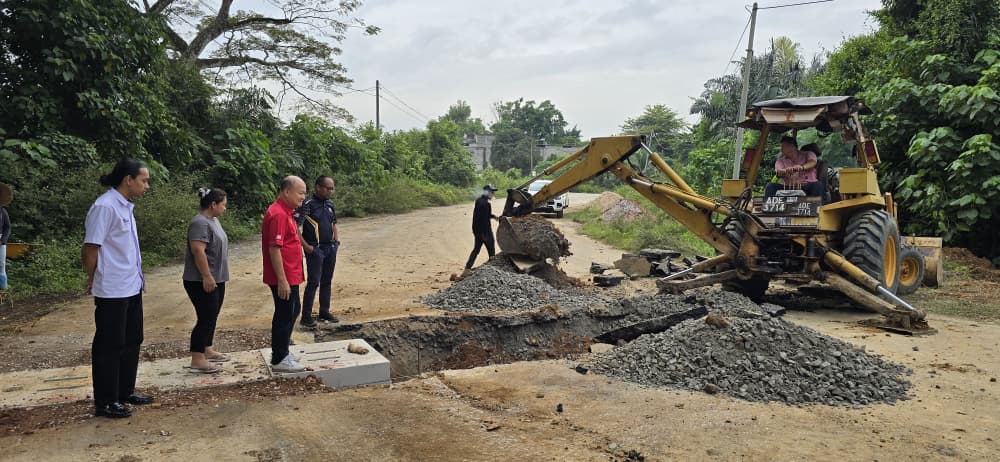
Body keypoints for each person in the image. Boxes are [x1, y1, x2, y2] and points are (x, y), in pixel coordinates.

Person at [82, 159, 153, 419]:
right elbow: (91, 248)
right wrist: (93, 278)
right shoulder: (105, 207)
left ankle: (124, 391)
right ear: (128, 179)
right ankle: (106, 401)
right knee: (110, 345)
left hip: (131, 285)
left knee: (132, 339)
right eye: (144, 180)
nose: (147, 185)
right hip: (112, 289)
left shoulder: (125, 207)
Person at [262, 176, 308, 373]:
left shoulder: (287, 212)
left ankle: (284, 351)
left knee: (293, 309)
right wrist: (282, 280)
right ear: (286, 191)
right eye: (300, 193)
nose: (303, 198)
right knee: (284, 313)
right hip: (284, 276)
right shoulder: (278, 214)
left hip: (292, 273)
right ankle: (279, 357)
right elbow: (274, 248)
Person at [183, 188, 230, 374]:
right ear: (213, 204)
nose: (225, 208)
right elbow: (198, 250)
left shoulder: (213, 221)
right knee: (205, 318)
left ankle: (207, 349)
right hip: (201, 280)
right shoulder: (200, 223)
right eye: (223, 204)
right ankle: (197, 359)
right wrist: (206, 276)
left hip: (217, 278)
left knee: (212, 316)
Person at [295, 176, 340, 328]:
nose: (330, 191)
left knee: (327, 281)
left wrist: (336, 242)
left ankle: (324, 311)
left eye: (332, 188)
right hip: (315, 249)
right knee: (314, 282)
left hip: (330, 249)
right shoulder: (307, 205)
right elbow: (294, 227)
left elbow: (334, 223)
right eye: (328, 188)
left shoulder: (330, 204)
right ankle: (306, 316)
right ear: (318, 187)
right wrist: (307, 247)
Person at [464, 184, 499, 273]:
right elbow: (482, 220)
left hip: (478, 231)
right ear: (487, 192)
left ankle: (467, 268)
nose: (493, 194)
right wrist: (484, 234)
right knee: (491, 250)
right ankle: (493, 270)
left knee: (476, 250)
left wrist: (494, 217)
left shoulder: (479, 201)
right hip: (484, 231)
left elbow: (483, 215)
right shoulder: (485, 204)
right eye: (492, 192)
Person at [0, 201, 9, 290]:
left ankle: (4, 290)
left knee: (2, 264)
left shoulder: (2, 211)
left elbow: (7, 227)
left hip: (1, 240)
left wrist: (2, 240)